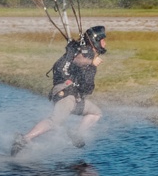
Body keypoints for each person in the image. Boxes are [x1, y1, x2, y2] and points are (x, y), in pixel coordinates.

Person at [11, 25, 107, 155]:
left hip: (74, 96)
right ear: (96, 40)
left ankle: (76, 133)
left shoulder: (83, 50)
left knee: (96, 113)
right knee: (56, 120)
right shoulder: (87, 54)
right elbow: (78, 60)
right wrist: (91, 63)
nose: (105, 43)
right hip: (66, 94)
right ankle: (24, 138)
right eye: (103, 40)